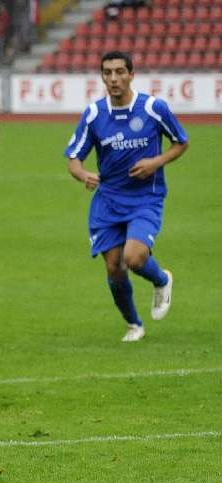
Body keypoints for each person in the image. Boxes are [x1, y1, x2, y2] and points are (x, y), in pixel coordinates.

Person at [65, 51, 188, 342]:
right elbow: (73, 158)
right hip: (108, 201)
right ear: (102, 76)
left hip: (146, 197)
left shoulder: (153, 108)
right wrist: (84, 175)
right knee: (114, 268)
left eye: (120, 72)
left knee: (134, 257)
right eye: (107, 73)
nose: (114, 78)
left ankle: (162, 279)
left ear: (131, 74)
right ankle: (134, 323)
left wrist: (156, 162)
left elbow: (181, 141)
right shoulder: (94, 114)